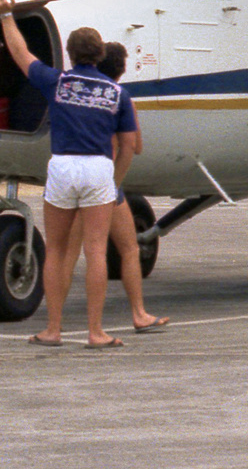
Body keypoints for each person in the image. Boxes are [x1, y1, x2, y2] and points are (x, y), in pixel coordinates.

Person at [0, 0, 135, 349]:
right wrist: (115, 184)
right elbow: (129, 144)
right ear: (101, 55)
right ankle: (96, 332)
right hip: (98, 169)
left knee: (55, 250)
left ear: (69, 54)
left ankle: (53, 329)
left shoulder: (57, 83)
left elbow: (21, 54)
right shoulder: (118, 94)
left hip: (63, 166)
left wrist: (6, 15)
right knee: (96, 250)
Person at [64, 41, 169, 334]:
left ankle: (55, 320)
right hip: (106, 182)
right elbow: (135, 147)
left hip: (74, 176)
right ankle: (138, 313)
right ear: (122, 69)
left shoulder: (78, 94)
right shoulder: (120, 97)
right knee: (127, 249)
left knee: (69, 252)